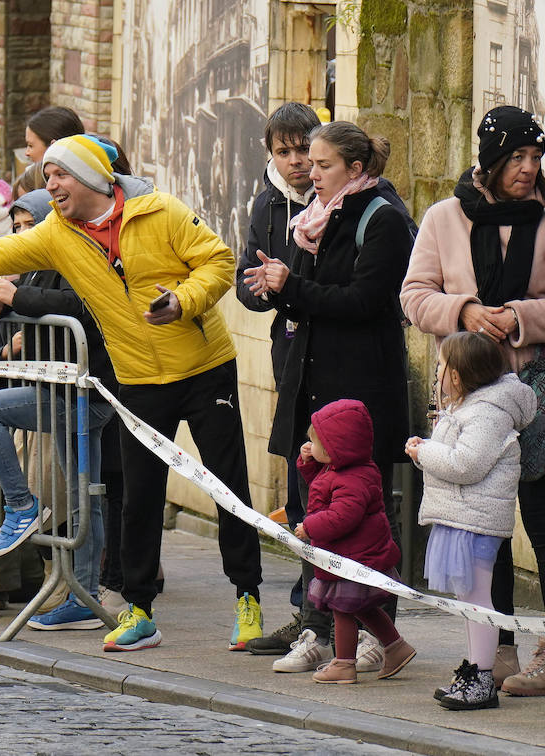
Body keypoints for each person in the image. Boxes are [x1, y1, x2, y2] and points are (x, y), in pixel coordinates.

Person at [0, 133, 265, 652]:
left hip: (205, 369)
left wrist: (183, 301)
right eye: (46, 177)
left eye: (59, 174)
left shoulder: (160, 211)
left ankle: (247, 598)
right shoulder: (56, 234)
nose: (51, 185)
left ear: (92, 176)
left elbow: (219, 262)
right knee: (139, 497)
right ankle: (138, 610)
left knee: (227, 488)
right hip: (138, 379)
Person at [400, 105, 545, 695]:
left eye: (535, 158)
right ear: (492, 159)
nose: (528, 170)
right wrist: (464, 311)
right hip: (465, 397)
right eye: (517, 158)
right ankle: (499, 648)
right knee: (489, 523)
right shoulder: (443, 218)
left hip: (531, 394)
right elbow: (413, 295)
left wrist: (517, 317)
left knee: (543, 518)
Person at [243, 121, 414, 674]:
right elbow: (311, 305)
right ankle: (317, 626)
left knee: (365, 520)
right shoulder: (315, 221)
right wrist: (278, 286)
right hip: (313, 386)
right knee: (311, 508)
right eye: (308, 164)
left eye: (322, 165)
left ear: (355, 169)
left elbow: (364, 301)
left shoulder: (382, 219)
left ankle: (375, 632)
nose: (309, 174)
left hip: (358, 390)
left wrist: (292, 286)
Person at [0, 189, 118, 630]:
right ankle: (84, 596)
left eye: (28, 225)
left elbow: (80, 306)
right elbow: (24, 304)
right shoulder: (37, 264)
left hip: (84, 394)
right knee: (82, 495)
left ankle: (21, 506)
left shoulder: (76, 255)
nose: (21, 234)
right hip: (61, 390)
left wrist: (16, 298)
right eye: (15, 227)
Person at [407, 331, 536, 710]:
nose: (437, 371)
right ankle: (475, 669)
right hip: (461, 515)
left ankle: (482, 677)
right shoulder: (469, 406)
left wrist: (423, 451)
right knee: (468, 598)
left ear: (459, 375)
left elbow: (466, 464)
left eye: (442, 364)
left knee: (478, 597)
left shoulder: (486, 413)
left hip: (476, 520)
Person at [235, 102, 321, 657]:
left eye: (301, 150)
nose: (293, 162)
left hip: (330, 348)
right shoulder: (267, 202)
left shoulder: (337, 194)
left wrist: (289, 282)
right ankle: (303, 606)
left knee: (327, 479)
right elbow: (245, 280)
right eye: (283, 152)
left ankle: (325, 605)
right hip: (287, 351)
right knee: (296, 477)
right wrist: (260, 288)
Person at [293, 399, 414, 685]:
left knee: (343, 610)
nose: (310, 445)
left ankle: (344, 664)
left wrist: (309, 527)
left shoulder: (353, 478)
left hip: (352, 557)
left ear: (337, 446)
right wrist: (309, 463)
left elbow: (341, 516)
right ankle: (396, 647)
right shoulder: (343, 469)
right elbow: (322, 489)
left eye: (316, 442)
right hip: (352, 555)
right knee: (363, 607)